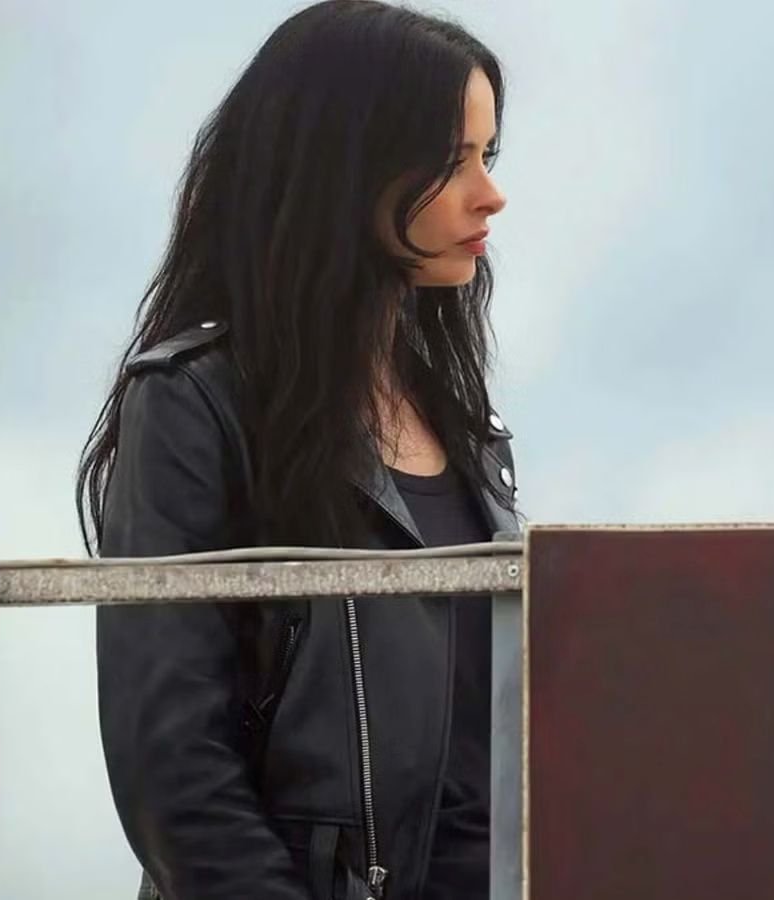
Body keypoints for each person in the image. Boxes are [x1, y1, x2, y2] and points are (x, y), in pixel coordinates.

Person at [76, 2, 518, 897]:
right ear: (345, 169)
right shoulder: (194, 403)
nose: (489, 194)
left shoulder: (470, 431)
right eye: (451, 161)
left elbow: (490, 760)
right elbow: (176, 772)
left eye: (489, 155)